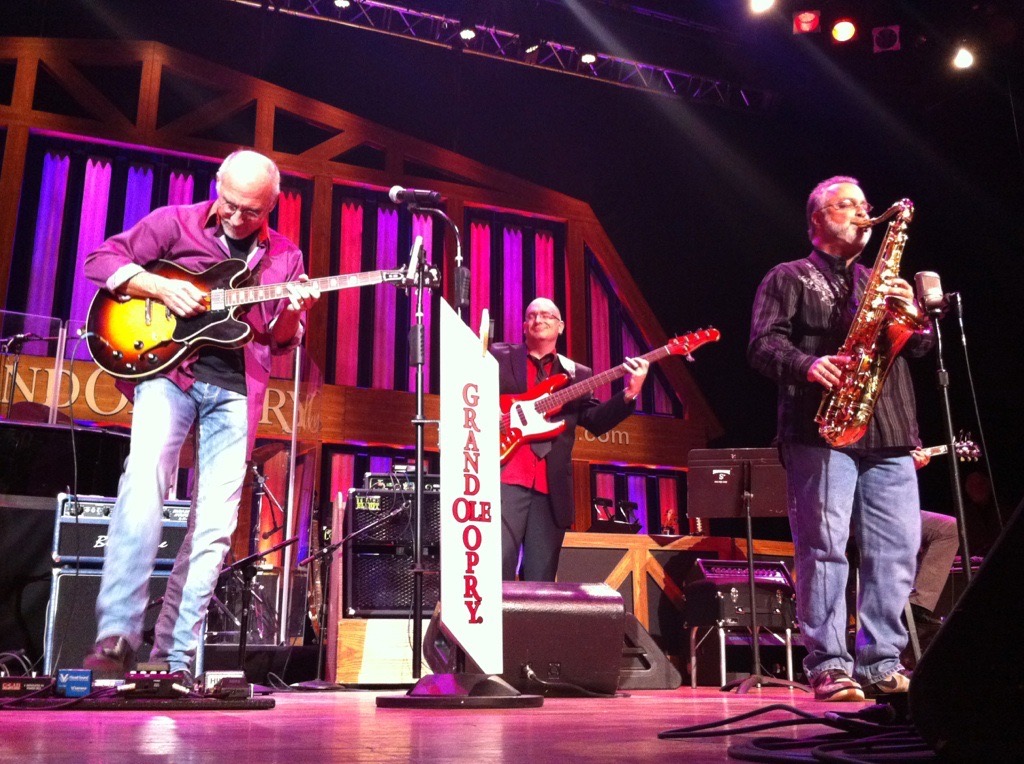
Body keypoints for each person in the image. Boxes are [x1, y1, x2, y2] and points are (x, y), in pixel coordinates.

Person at [82, 149, 320, 681]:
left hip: (238, 391)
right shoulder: (175, 222)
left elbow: (280, 342)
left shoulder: (286, 257)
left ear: (272, 205)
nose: (238, 218)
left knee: (214, 524)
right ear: (218, 187)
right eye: (231, 205)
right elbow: (99, 261)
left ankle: (175, 657)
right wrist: (158, 285)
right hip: (169, 375)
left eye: (252, 212)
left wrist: (296, 312)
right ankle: (116, 636)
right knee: (144, 484)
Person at [748, 175, 935, 701]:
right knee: (825, 549)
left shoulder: (882, 279)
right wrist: (809, 366)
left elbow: (918, 350)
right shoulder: (788, 276)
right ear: (816, 220)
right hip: (820, 428)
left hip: (891, 431)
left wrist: (916, 318)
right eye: (845, 205)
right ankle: (829, 664)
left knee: (895, 552)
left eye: (863, 205)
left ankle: (881, 663)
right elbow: (762, 346)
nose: (860, 213)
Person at [491, 297, 648, 581]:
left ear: (560, 326)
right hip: (506, 476)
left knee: (541, 580)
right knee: (496, 571)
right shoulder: (499, 356)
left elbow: (596, 421)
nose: (539, 319)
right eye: (531, 315)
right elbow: (471, 391)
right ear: (524, 326)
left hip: (550, 489)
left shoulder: (577, 375)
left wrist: (630, 392)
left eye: (547, 315)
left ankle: (532, 628)